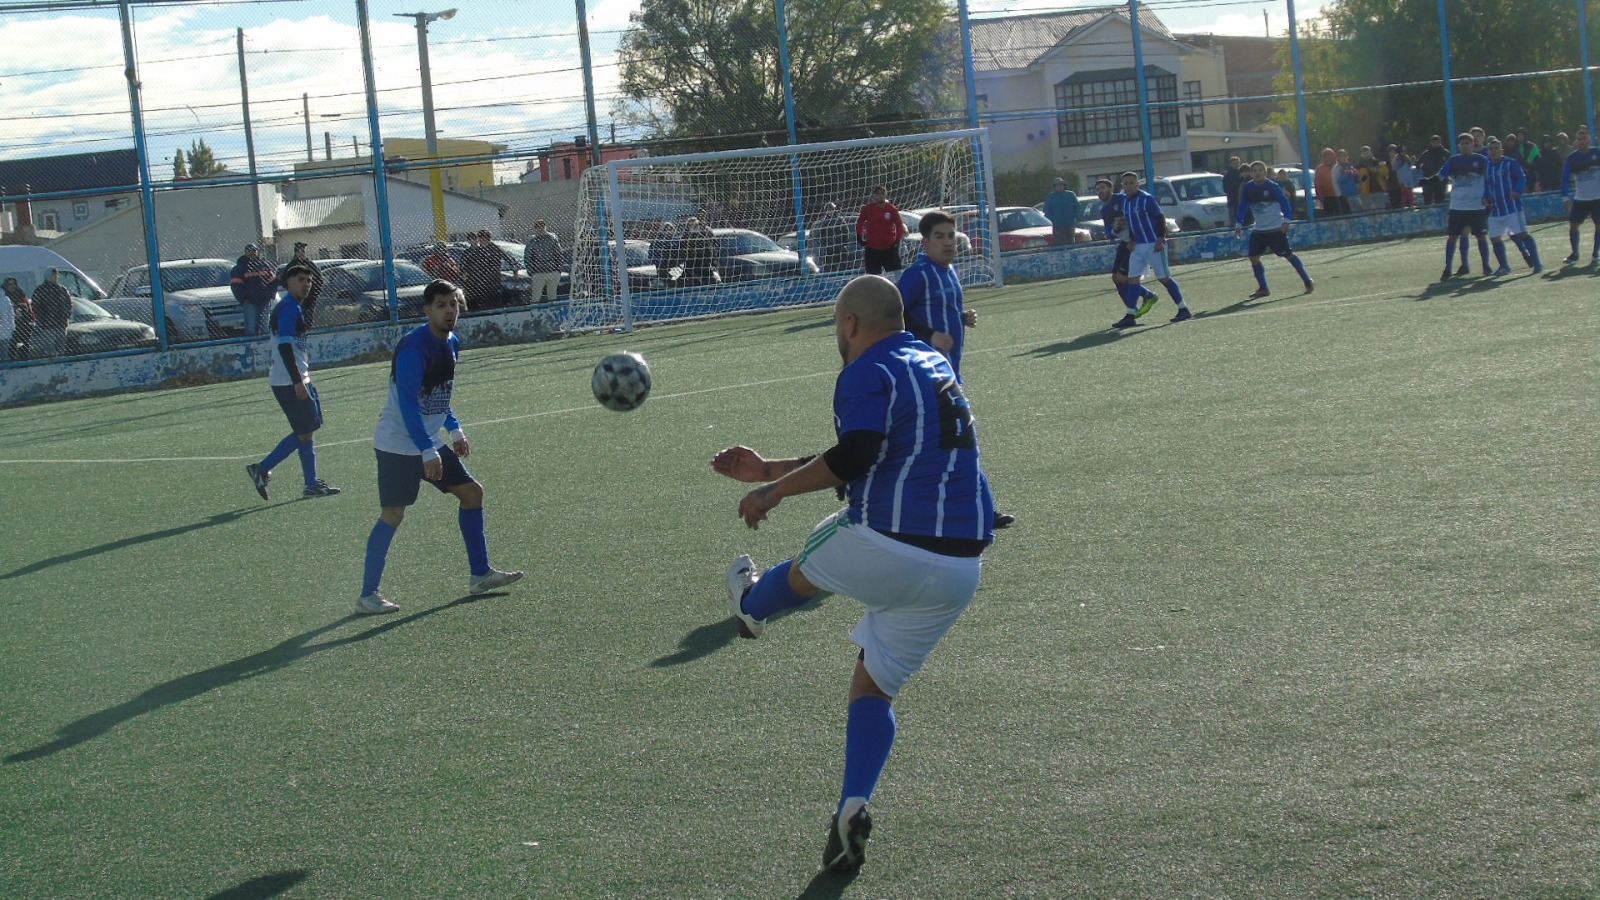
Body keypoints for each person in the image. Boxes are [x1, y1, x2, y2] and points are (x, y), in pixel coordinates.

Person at [712, 274, 994, 873]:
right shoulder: (933, 363)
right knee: (872, 688)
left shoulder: (866, 368)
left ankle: (752, 606)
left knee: (814, 563)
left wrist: (773, 491)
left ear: (849, 324)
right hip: (960, 569)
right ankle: (852, 805)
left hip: (888, 541)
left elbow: (858, 455)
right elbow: (878, 456)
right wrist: (773, 466)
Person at [357, 279, 524, 615]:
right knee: (393, 514)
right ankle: (367, 595)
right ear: (427, 311)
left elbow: (438, 395)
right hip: (397, 443)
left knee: (472, 493)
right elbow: (408, 403)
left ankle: (480, 575)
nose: (450, 311)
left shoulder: (452, 343)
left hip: (426, 441)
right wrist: (427, 450)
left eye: (454, 305)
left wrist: (455, 428)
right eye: (442, 306)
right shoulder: (414, 348)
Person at [896, 210, 1016, 530]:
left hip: (950, 373)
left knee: (943, 446)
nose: (948, 242)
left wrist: (961, 317)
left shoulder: (948, 271)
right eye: (940, 236)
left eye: (951, 235)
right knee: (962, 442)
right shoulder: (918, 274)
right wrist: (929, 335)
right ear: (925, 242)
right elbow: (896, 314)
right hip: (929, 377)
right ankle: (982, 512)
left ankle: (932, 511)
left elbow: (937, 309)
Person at [245, 264, 341, 502]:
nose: (306, 284)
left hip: (297, 378)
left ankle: (307, 482)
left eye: (308, 280)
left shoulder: (293, 306)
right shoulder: (288, 308)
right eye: (300, 279)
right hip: (290, 381)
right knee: (304, 431)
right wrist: (298, 382)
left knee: (308, 428)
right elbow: (285, 346)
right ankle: (268, 469)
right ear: (288, 283)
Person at [1114, 172, 1190, 324]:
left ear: (1137, 184)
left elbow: (1159, 217)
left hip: (1153, 244)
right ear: (1122, 186)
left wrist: (1161, 239)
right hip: (1138, 246)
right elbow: (1133, 224)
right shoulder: (1126, 202)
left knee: (1163, 278)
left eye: (1131, 183)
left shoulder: (1146, 199)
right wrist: (1131, 240)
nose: (1128, 186)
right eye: (1125, 183)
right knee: (1132, 279)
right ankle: (1130, 315)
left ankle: (1183, 309)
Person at [1234, 161, 1315, 300]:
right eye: (1254, 171)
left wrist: (1287, 220)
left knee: (1288, 255)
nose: (1257, 173)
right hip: (1259, 230)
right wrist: (1238, 224)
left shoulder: (1273, 187)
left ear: (1265, 173)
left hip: (1275, 229)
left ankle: (1307, 280)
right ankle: (1263, 288)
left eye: (1260, 170)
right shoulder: (1248, 188)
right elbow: (1243, 206)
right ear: (1251, 173)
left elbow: (1285, 203)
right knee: (1253, 258)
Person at [1096, 178, 1161, 328]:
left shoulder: (1124, 200)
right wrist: (1115, 229)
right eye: (1098, 189)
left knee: (1123, 277)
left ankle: (1134, 311)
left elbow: (1140, 215)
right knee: (1116, 278)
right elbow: (1109, 233)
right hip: (1124, 243)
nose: (1100, 191)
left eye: (1103, 188)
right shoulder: (1104, 210)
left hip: (1135, 244)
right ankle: (1142, 302)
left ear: (1111, 188)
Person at [1482, 136, 1542, 275]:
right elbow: (1486, 185)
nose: (1494, 151)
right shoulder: (1488, 167)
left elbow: (1521, 178)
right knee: (1494, 238)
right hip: (1496, 209)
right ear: (1488, 152)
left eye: (1496, 148)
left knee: (1523, 234)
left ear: (1502, 150)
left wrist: (1517, 190)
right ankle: (1504, 266)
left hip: (1513, 208)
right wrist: (1485, 197)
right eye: (1491, 149)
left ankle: (1537, 263)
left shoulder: (1510, 163)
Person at [1439, 132, 1492, 280]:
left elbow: (1489, 178)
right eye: (1461, 144)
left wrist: (1487, 196)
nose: (1464, 146)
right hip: (1457, 206)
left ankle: (1486, 266)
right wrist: (1429, 180)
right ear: (1458, 146)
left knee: (1481, 236)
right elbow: (1441, 175)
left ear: (1473, 145)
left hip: (1477, 206)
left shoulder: (1481, 160)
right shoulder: (1453, 160)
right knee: (1453, 236)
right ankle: (1448, 268)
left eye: (1467, 143)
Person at [1558, 127, 1600, 265]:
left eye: (1584, 139)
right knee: (1573, 225)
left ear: (1589, 140)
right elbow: (1565, 178)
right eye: (1579, 139)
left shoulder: (1597, 153)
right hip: (1580, 198)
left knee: (1598, 226)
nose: (1581, 142)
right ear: (1576, 141)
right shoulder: (1573, 158)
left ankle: (1595, 254)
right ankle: (1575, 254)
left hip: (1597, 198)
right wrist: (1565, 197)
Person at [855, 186, 907, 275]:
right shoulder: (869, 208)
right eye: (878, 193)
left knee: (897, 273)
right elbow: (860, 222)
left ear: (886, 195)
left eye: (882, 193)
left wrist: (897, 240)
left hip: (889, 247)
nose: (880, 195)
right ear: (874, 196)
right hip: (872, 247)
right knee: (873, 276)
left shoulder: (891, 209)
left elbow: (899, 225)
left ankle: (899, 288)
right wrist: (859, 236)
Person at [230, 243, 278, 338]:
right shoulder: (240, 267)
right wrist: (243, 299)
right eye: (250, 250)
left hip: (264, 301)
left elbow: (273, 281)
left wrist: (271, 294)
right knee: (251, 328)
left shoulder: (264, 265)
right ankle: (251, 349)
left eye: (254, 250)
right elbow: (236, 286)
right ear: (245, 252)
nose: (252, 252)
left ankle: (265, 347)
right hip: (249, 302)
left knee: (265, 328)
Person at [275, 242, 323, 326]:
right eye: (299, 251)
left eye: (303, 251)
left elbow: (319, 279)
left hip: (309, 297)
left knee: (308, 319)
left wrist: (315, 293)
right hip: (296, 297)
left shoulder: (310, 265)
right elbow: (284, 281)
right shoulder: (291, 265)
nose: (301, 253)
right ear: (296, 252)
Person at [30, 268, 72, 358]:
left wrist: (66, 317)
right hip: (47, 326)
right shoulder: (40, 290)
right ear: (47, 276)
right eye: (52, 275)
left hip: (61, 324)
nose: (55, 277)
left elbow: (69, 304)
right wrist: (43, 320)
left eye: (56, 275)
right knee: (49, 351)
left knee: (61, 349)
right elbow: (36, 307)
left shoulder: (62, 289)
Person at [523, 219, 563, 303]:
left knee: (552, 295)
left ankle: (552, 312)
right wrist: (531, 271)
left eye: (542, 226)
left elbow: (558, 253)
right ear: (535, 229)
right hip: (538, 272)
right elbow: (527, 257)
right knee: (536, 296)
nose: (541, 229)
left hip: (552, 270)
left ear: (545, 227)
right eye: (538, 227)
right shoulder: (532, 241)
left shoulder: (552, 238)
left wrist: (558, 269)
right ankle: (534, 313)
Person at [813, 202, 857, 273]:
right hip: (829, 247)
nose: (830, 211)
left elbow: (846, 231)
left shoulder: (839, 220)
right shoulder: (824, 221)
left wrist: (844, 243)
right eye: (828, 210)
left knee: (842, 263)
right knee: (830, 264)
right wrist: (824, 244)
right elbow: (821, 234)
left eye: (831, 209)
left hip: (839, 246)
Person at [677, 216, 720, 286]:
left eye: (696, 225)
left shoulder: (703, 236)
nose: (695, 227)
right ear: (688, 227)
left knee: (716, 281)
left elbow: (710, 251)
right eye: (692, 225)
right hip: (691, 268)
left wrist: (710, 262)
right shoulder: (684, 238)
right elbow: (683, 253)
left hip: (705, 267)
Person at [1040, 177, 1080, 247]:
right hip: (1058, 226)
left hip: (1070, 224)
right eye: (1057, 185)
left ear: (1064, 185)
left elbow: (1077, 206)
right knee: (1060, 245)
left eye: (1061, 185)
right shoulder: (1051, 197)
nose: (1059, 186)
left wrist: (1075, 217)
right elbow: (1046, 210)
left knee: (1071, 244)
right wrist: (1053, 220)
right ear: (1054, 187)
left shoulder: (1070, 195)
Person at [4, 277, 34, 359]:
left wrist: (21, 309)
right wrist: (14, 311)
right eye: (10, 284)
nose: (12, 286)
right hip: (10, 328)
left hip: (23, 326)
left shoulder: (20, 293)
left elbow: (28, 307)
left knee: (25, 348)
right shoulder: (4, 297)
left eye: (14, 284)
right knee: (11, 349)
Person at [1417, 135, 1451, 206]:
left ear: (1440, 142)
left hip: (1441, 181)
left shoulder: (1445, 153)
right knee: (1427, 201)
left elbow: (1450, 165)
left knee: (1439, 201)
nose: (1435, 143)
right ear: (1431, 143)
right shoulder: (1426, 154)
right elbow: (1418, 164)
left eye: (1437, 142)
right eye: (1434, 142)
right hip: (1428, 181)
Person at [1314, 147, 1348, 215]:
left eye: (1330, 155)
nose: (1328, 157)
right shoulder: (1320, 169)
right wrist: (1321, 197)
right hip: (1327, 198)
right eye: (1326, 155)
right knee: (1329, 216)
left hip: (1341, 196)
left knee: (1343, 215)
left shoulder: (1340, 166)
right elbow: (1318, 185)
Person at [1222, 156, 1244, 224]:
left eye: (1237, 163)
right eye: (1234, 163)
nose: (1236, 165)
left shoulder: (1242, 174)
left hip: (1242, 200)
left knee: (1243, 219)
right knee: (1233, 220)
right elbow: (1226, 189)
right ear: (1230, 164)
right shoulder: (1227, 175)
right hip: (1232, 201)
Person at [0, 274, 12, 363]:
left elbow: (10, 314)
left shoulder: (5, 299)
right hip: (5, 331)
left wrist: (12, 327)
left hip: (4, 332)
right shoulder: (5, 299)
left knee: (5, 354)